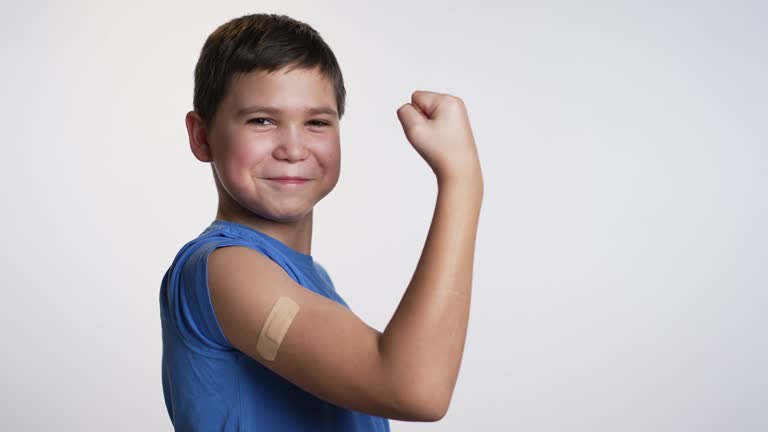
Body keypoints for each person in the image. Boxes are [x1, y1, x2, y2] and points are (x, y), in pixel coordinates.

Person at [159, 12, 483, 431]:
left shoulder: (309, 281)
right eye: (262, 120)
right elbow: (415, 387)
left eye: (317, 122)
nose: (293, 148)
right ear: (202, 136)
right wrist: (461, 179)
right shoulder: (226, 269)